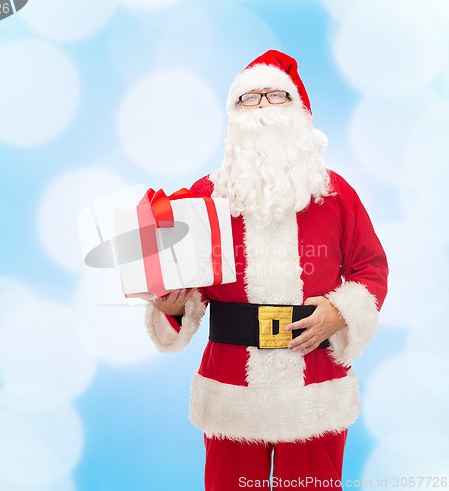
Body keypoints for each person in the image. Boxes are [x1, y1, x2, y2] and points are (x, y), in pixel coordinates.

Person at [144, 50, 388, 491]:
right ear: (234, 115)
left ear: (298, 111)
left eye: (275, 95)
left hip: (314, 382)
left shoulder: (335, 195)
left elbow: (371, 267)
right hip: (231, 385)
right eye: (250, 98)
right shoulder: (205, 197)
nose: (263, 108)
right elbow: (182, 288)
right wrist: (172, 306)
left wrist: (342, 311)